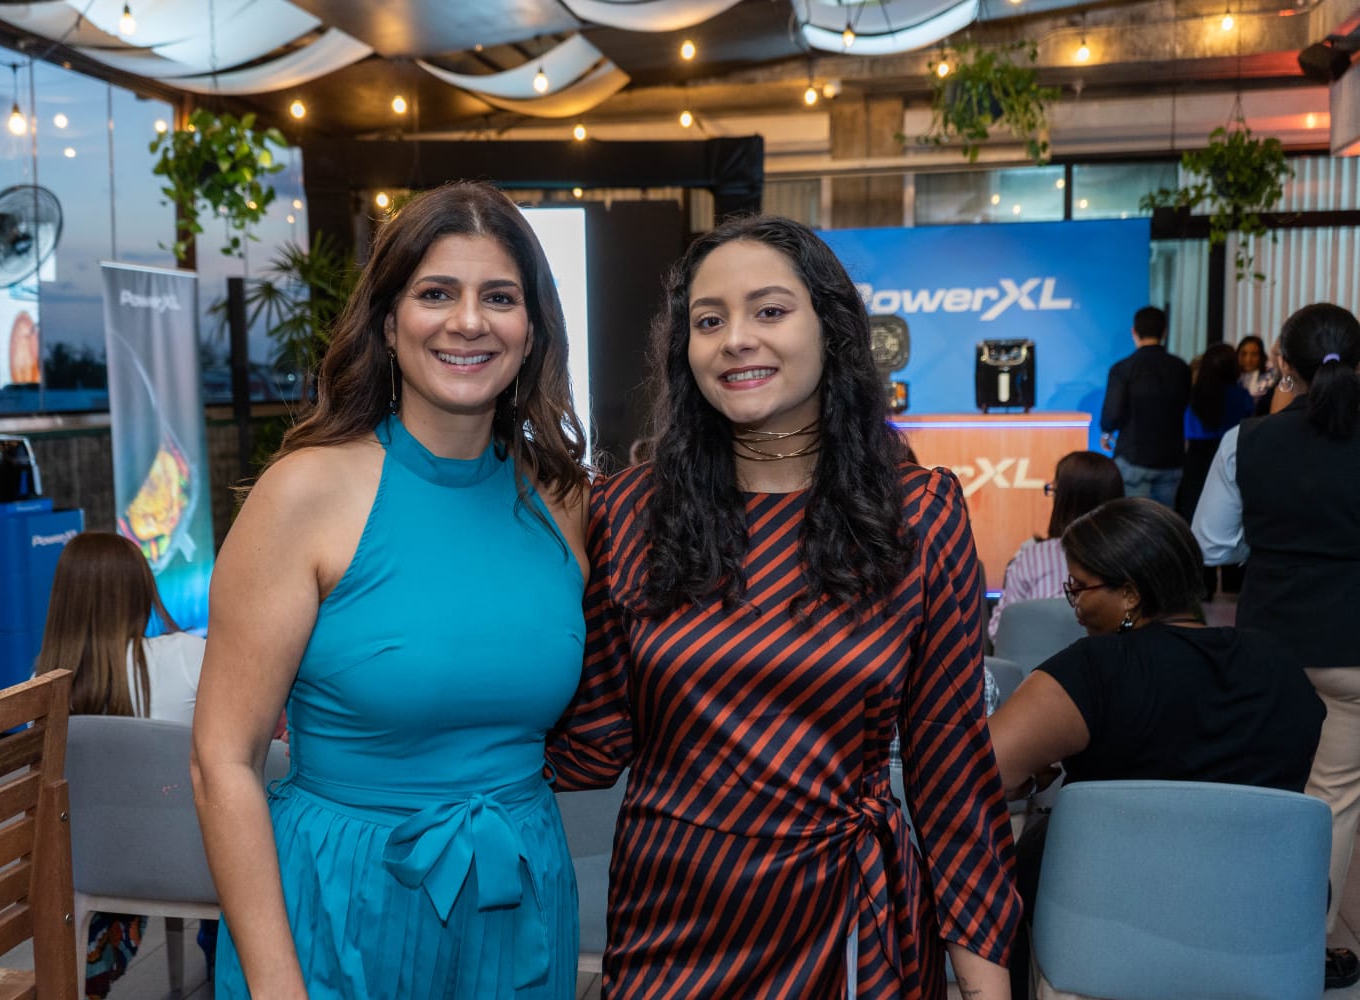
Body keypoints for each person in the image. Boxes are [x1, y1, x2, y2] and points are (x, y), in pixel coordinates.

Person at [549, 216, 1020, 1000]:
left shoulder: (917, 515)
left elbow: (951, 771)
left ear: (830, 328)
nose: (737, 339)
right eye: (709, 321)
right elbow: (595, 739)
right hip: (670, 919)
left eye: (769, 311)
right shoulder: (628, 513)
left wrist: (985, 985)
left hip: (847, 923)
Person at [191, 182, 591, 999]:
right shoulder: (303, 494)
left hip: (520, 901)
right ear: (387, 322)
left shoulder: (562, 501)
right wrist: (275, 985)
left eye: (499, 297)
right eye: (435, 293)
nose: (469, 321)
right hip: (340, 907)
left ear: (532, 330)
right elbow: (220, 761)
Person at [988, 497, 1325, 994]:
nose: (1074, 607)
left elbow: (980, 769)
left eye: (1078, 588)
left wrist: (1031, 777)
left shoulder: (1095, 670)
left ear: (1129, 594)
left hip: (1104, 923)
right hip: (1260, 923)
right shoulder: (1279, 668)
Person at [1192, 302, 1360, 987]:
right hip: (1352, 647)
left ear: (1283, 364)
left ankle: (1241, 933)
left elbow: (1212, 544)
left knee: (1261, 786)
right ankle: (1305, 944)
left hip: (1266, 642)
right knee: (1334, 799)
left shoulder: (1247, 440)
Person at [36, 530, 207, 998]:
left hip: (89, 867)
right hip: (190, 862)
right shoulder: (188, 657)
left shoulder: (41, 686)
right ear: (139, 589)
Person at [987, 450, 1123, 643]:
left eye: (1054, 490)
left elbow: (999, 631)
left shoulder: (1031, 558)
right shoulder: (1136, 559)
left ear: (1064, 500)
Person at [1176, 343, 1254, 596]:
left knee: (1195, 517)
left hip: (1197, 459)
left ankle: (1202, 585)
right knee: (1234, 514)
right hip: (1232, 456)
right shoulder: (1241, 396)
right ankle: (1233, 582)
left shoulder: (1193, 395)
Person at [1099, 306, 1191, 507]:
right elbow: (1185, 404)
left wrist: (1107, 432)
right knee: (1164, 519)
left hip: (1133, 456)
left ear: (1134, 332)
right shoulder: (1181, 368)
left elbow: (1111, 415)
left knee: (1133, 519)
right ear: (1164, 332)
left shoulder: (1122, 369)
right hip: (1172, 458)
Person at [1236, 333, 1277, 401]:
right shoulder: (1232, 378)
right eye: (1244, 354)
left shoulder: (1271, 378)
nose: (1248, 360)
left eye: (1254, 354)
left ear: (1261, 356)